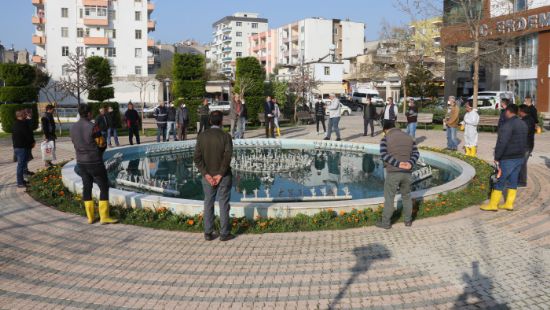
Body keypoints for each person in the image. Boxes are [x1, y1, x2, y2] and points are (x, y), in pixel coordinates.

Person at [70, 105, 118, 224]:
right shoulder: (93, 127)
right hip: (94, 161)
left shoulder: (72, 127)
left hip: (81, 162)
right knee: (104, 187)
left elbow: (74, 142)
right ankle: (104, 217)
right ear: (89, 114)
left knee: (87, 187)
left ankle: (90, 217)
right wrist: (100, 152)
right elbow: (101, 143)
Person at [193, 110, 234, 242]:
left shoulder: (202, 136)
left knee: (208, 202)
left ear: (210, 121)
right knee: (223, 203)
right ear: (221, 121)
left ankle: (208, 232)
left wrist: (206, 174)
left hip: (208, 176)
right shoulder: (226, 136)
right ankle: (224, 233)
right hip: (224, 176)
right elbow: (227, 157)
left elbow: (197, 158)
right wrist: (220, 174)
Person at [481, 105, 528, 212]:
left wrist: (497, 157)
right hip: (520, 157)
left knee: (500, 180)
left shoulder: (507, 125)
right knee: (513, 180)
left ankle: (493, 204)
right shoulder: (523, 123)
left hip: (508, 158)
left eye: (505, 111)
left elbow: (502, 143)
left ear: (508, 111)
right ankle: (509, 204)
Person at [376, 121, 420, 229]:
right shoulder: (409, 137)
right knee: (407, 196)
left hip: (393, 173)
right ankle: (408, 221)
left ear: (385, 129)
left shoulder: (385, 139)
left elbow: (384, 155)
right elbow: (416, 153)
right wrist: (409, 163)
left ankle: (386, 222)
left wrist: (398, 164)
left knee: (389, 197)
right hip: (407, 173)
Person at [12, 109, 35, 188]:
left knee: (22, 164)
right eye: (24, 114)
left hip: (18, 147)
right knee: (20, 165)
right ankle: (20, 183)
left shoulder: (16, 123)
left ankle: (21, 181)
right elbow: (28, 135)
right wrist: (32, 142)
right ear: (21, 116)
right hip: (21, 147)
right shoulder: (22, 124)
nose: (25, 115)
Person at [518, 104, 536, 187]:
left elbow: (524, 133)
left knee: (522, 163)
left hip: (526, 145)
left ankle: (522, 181)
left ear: (522, 112)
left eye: (519, 111)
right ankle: (520, 179)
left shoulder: (526, 121)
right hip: (528, 144)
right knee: (521, 162)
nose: (518, 112)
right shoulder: (529, 119)